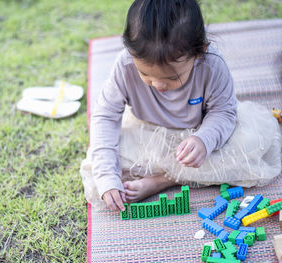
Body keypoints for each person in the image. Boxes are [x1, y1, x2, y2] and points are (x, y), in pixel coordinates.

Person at [80, 0, 282, 212]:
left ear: (199, 53)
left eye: (171, 78)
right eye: (145, 74)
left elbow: (223, 112)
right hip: (147, 133)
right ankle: (175, 174)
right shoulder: (125, 65)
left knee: (250, 144)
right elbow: (105, 116)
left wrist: (204, 140)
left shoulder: (212, 66)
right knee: (102, 162)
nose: (157, 84)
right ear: (130, 51)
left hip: (200, 131)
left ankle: (162, 180)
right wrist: (107, 177)